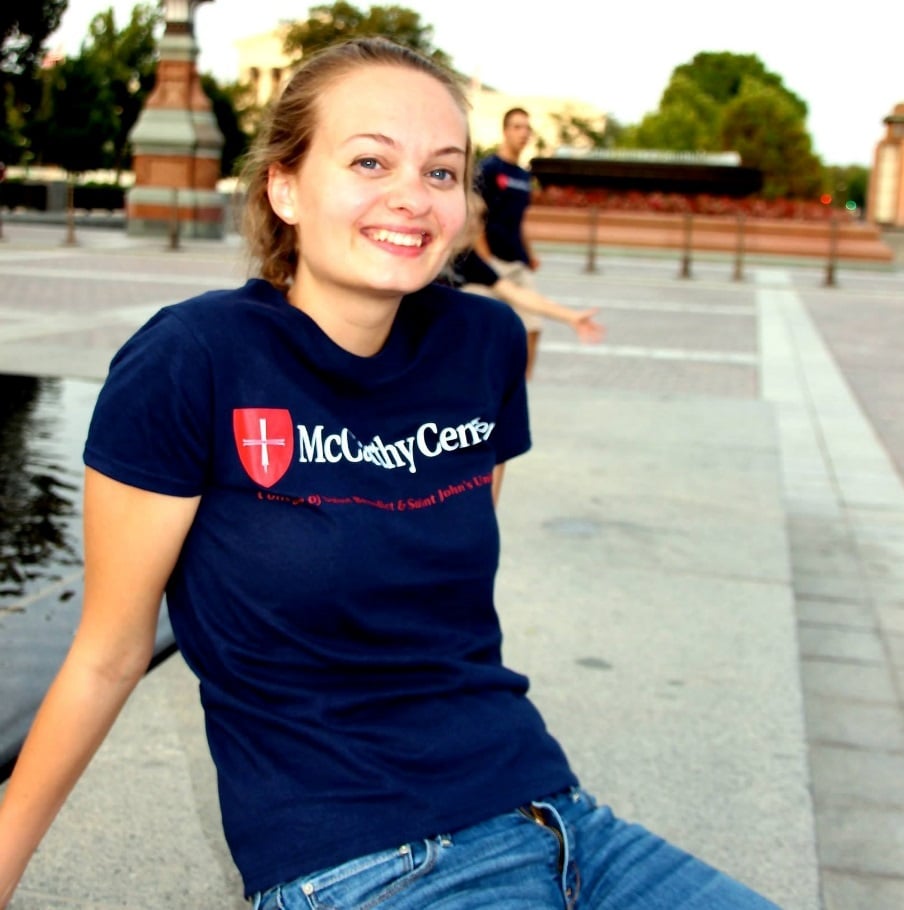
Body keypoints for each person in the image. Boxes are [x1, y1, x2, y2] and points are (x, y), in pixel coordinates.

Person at [0, 37, 780, 910]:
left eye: (443, 172)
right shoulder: (194, 360)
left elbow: (447, 611)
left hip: (555, 815)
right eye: (371, 160)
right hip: (357, 857)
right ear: (284, 187)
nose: (412, 195)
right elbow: (108, 655)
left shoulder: (481, 346)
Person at [443, 192, 605, 356]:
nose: (477, 227)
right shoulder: (425, 257)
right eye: (471, 221)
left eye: (480, 220)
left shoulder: (467, 259)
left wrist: (570, 316)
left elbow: (515, 293)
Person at [475, 107, 546, 376]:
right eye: (517, 127)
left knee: (532, 327)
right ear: (505, 131)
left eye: (527, 128)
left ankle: (518, 389)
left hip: (516, 262)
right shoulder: (489, 169)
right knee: (487, 331)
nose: (523, 133)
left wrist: (530, 253)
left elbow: (520, 220)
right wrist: (486, 259)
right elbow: (476, 217)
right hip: (490, 264)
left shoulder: (524, 176)